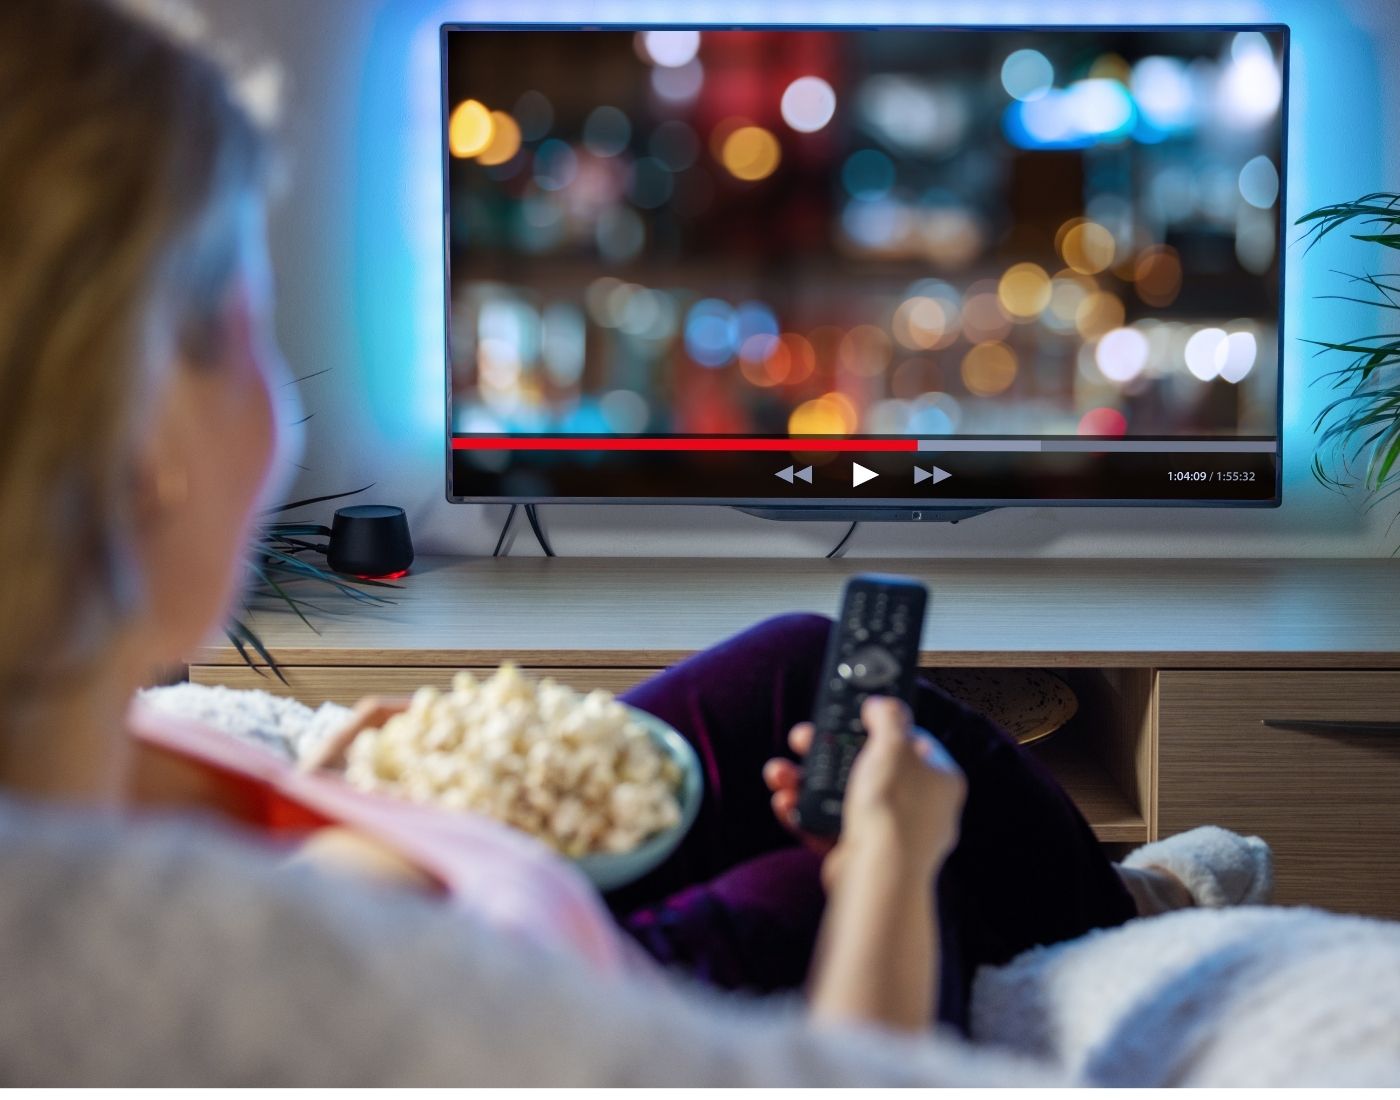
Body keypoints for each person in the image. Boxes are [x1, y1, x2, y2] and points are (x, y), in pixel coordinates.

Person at [4, 0, 1367, 1088]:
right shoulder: (176, 979)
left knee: (806, 667)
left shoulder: (77, 789)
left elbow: (279, 932)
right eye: (246, 312)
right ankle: (1120, 913)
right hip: (544, 971)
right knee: (842, 841)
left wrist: (358, 815)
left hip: (472, 918)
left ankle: (1103, 891)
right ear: (144, 452)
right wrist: (892, 866)